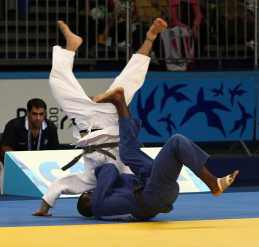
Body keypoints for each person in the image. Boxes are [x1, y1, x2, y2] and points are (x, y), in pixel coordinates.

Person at [33, 18, 168, 216]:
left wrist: (44, 207)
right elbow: (142, 181)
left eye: (86, 196)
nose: (89, 194)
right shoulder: (124, 178)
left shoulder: (88, 179)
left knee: (57, 83)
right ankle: (150, 38)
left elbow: (61, 184)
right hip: (111, 121)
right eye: (89, 197)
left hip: (86, 123)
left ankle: (71, 45)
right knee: (129, 80)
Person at [77, 87, 239, 220]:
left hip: (150, 187)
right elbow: (108, 169)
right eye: (87, 194)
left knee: (128, 153)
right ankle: (213, 183)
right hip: (151, 197)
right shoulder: (99, 206)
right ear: (87, 203)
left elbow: (111, 172)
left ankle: (119, 102)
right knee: (176, 141)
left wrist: (104, 184)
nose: (91, 191)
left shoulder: (106, 197)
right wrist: (99, 181)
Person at [0, 98, 59, 163]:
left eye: (41, 114)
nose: (38, 118)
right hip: (18, 164)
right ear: (28, 113)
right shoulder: (14, 125)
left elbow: (55, 152)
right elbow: (5, 149)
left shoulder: (51, 127)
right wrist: (19, 162)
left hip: (42, 165)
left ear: (45, 114)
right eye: (34, 114)